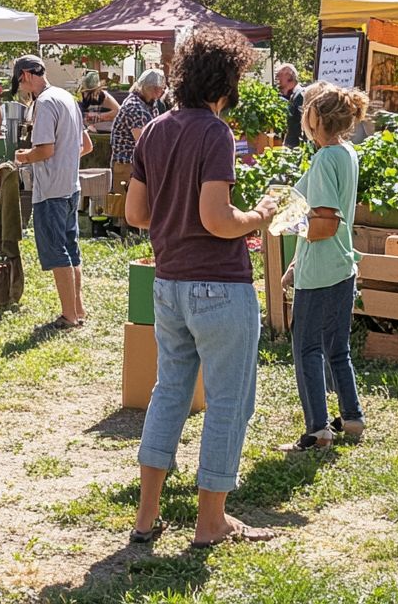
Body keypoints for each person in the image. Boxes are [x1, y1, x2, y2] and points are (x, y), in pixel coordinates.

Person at [123, 27, 278, 548]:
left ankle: (146, 518)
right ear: (227, 79)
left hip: (167, 284)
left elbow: (135, 213)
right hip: (218, 284)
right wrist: (258, 216)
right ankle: (211, 522)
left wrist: (176, 214)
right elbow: (217, 219)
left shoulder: (154, 130)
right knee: (229, 401)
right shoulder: (215, 133)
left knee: (169, 394)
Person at [278, 82, 369, 452]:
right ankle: (352, 417)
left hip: (320, 270)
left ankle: (317, 429)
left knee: (307, 349)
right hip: (343, 264)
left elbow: (324, 223)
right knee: (337, 347)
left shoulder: (322, 160)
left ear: (315, 119)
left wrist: (287, 224)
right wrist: (295, 261)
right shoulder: (347, 153)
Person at [12, 55, 93, 329]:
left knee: (58, 253)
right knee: (71, 249)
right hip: (71, 186)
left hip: (51, 190)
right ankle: (78, 310)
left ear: (25, 75)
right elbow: (87, 145)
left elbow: (46, 150)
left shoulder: (44, 103)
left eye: (19, 81)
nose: (21, 87)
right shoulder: (66, 97)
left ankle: (69, 316)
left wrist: (23, 157)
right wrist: (66, 161)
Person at [110, 68, 166, 171]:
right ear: (151, 88)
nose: (163, 91)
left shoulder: (151, 104)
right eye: (161, 88)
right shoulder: (134, 107)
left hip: (139, 164)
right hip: (126, 165)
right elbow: (144, 142)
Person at [275, 64, 305, 148]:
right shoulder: (292, 95)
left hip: (297, 146)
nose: (278, 79)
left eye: (280, 75)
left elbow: (302, 123)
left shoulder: (300, 95)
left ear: (289, 75)